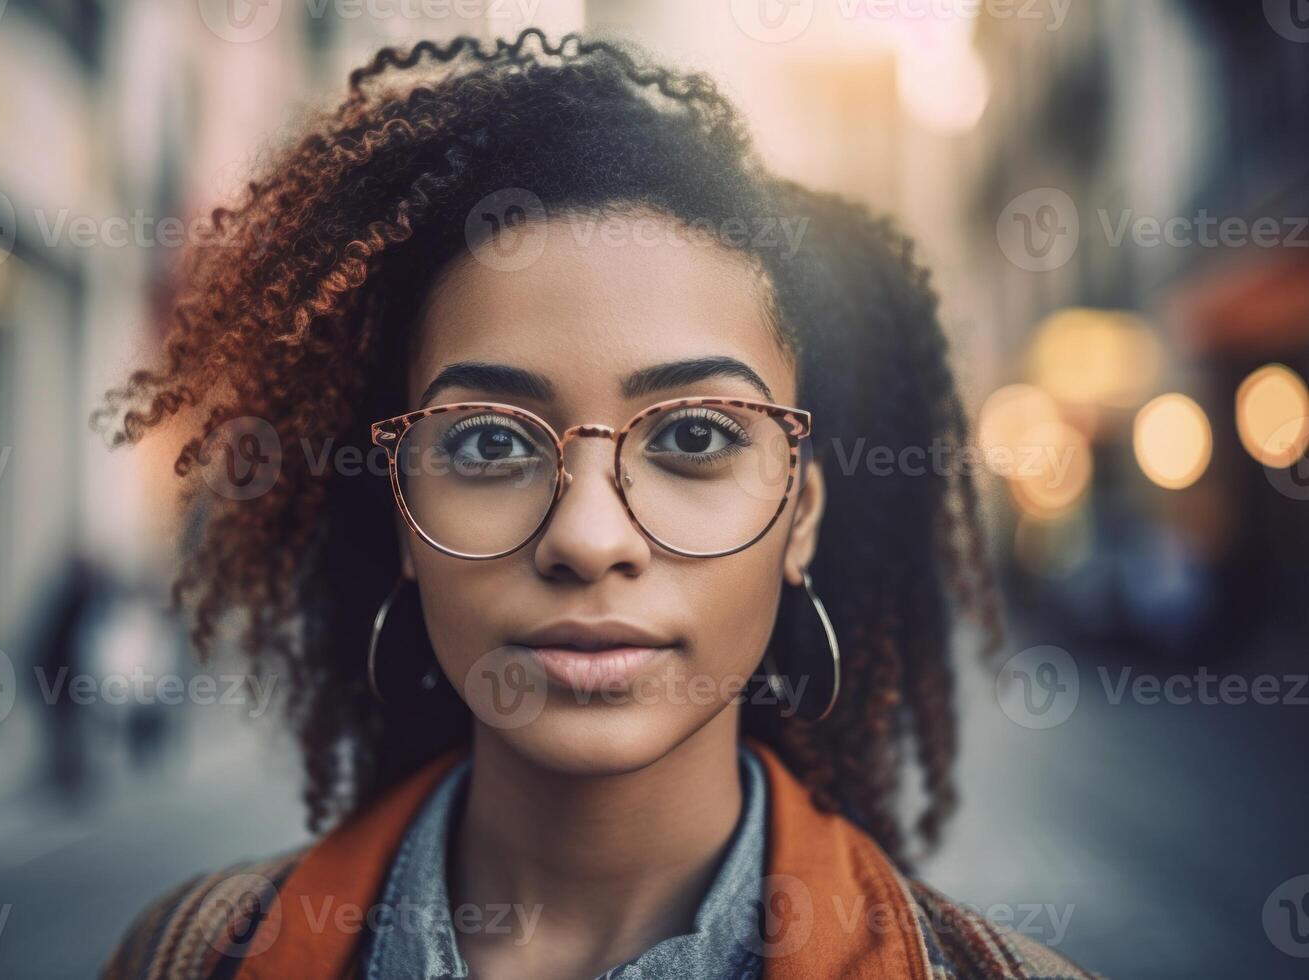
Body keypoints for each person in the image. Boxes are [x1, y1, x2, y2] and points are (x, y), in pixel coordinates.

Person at [99, 30, 1096, 980]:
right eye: (488, 441)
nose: (586, 537)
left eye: (692, 436)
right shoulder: (188, 957)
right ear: (402, 510)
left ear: (800, 515)